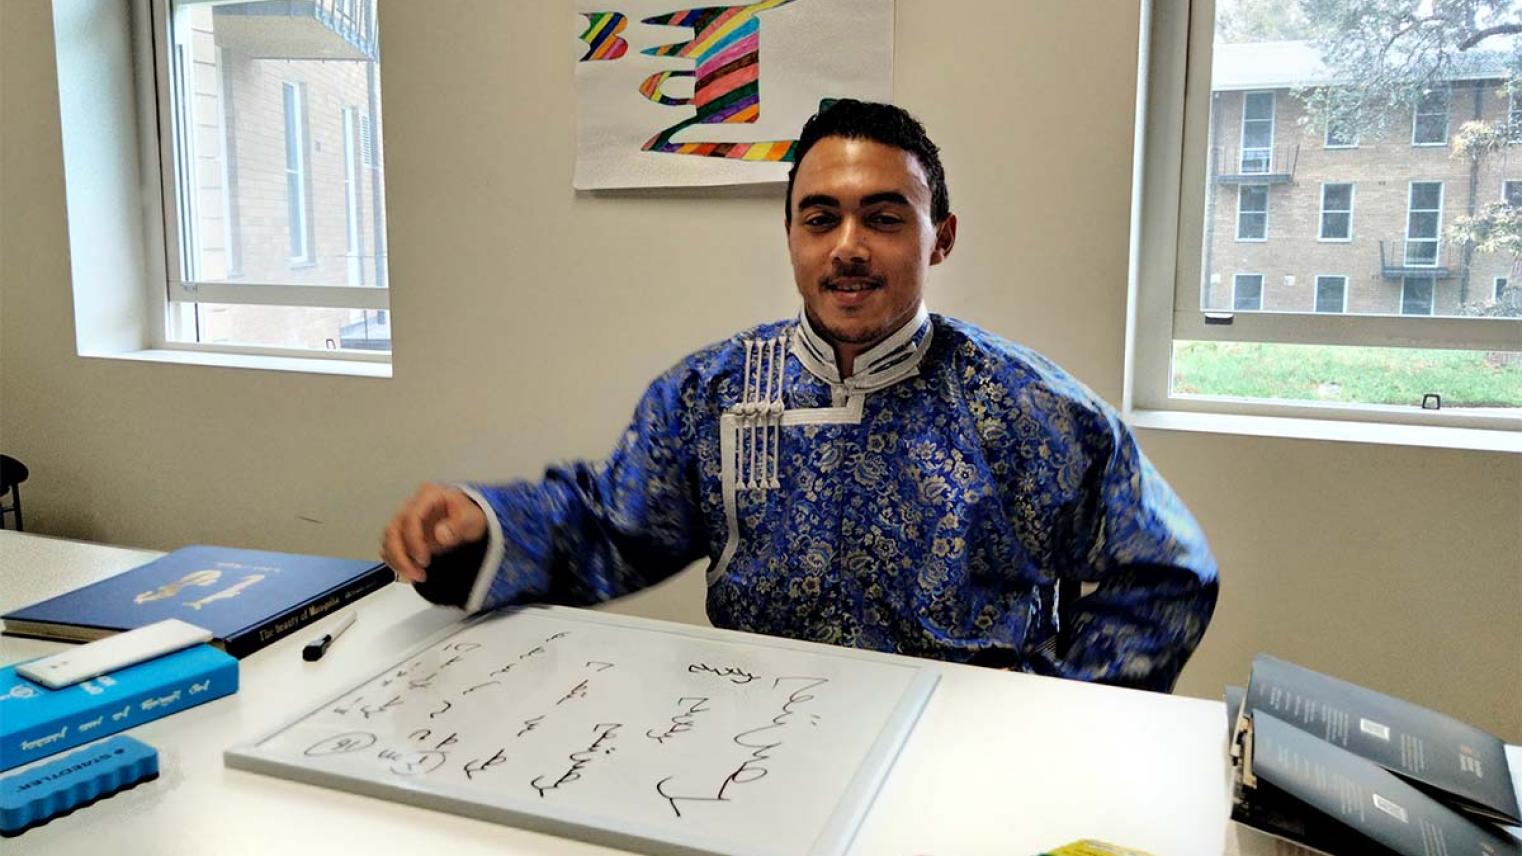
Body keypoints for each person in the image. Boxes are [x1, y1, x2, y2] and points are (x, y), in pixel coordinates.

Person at [382, 100, 1218, 692]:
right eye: (821, 218)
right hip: (749, 744)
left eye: (884, 218)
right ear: (790, 235)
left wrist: (1054, 709)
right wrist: (483, 522)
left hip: (962, 756)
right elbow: (613, 525)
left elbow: (1168, 571)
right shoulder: (708, 395)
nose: (848, 247)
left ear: (942, 237)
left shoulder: (1028, 407)